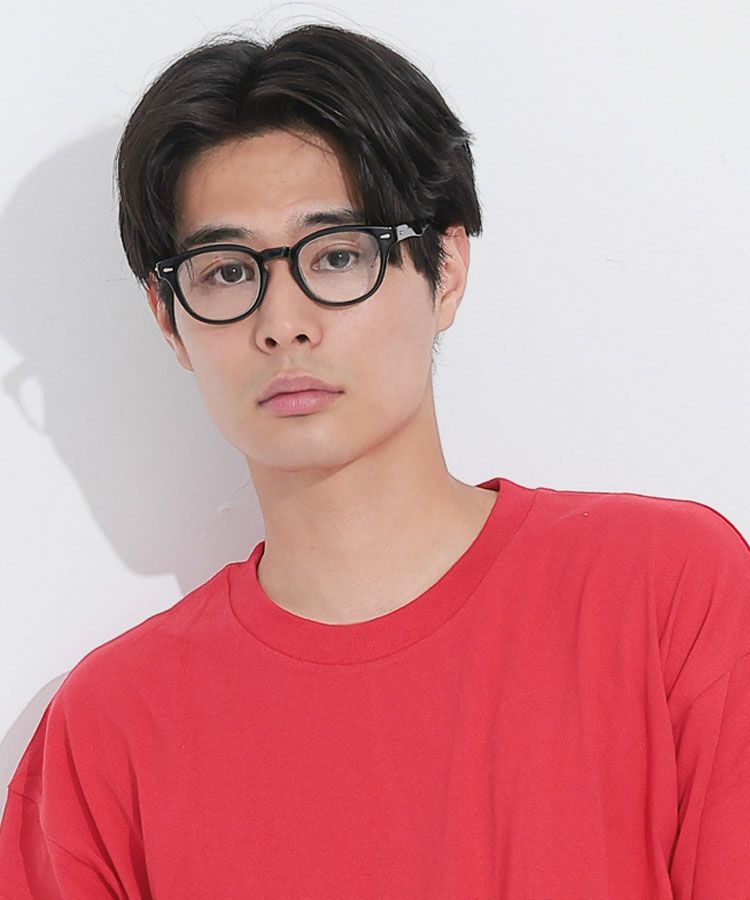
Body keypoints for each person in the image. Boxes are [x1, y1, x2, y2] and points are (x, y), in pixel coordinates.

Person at [1, 21, 748, 899]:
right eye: (227, 271)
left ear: (446, 268)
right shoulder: (108, 731)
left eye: (337, 256)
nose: (283, 322)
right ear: (170, 319)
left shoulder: (663, 591)